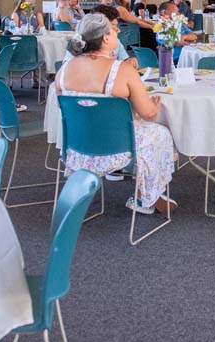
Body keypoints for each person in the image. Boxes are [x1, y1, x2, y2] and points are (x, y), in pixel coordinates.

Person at [55, 13, 177, 215]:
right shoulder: (122, 69)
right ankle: (144, 197)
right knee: (160, 133)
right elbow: (147, 114)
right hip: (117, 149)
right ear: (105, 38)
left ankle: (79, 188)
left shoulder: (65, 68)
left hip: (78, 146)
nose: (117, 30)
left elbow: (64, 107)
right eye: (114, 29)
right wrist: (154, 107)